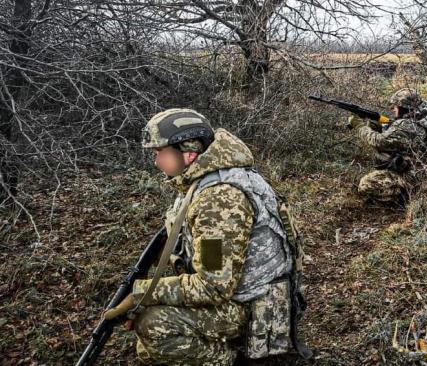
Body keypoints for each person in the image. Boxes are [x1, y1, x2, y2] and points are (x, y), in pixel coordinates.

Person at [102, 108, 309, 365]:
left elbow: (213, 286)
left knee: (154, 326)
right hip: (245, 295)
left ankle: (233, 361)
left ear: (189, 153)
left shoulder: (219, 200)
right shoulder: (206, 179)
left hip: (253, 308)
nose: (156, 162)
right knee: (148, 350)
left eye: (161, 153)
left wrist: (143, 292)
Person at [346, 88, 427, 205]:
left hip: (409, 174)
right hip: (419, 169)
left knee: (366, 184)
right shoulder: (421, 120)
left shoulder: (406, 125)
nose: (393, 109)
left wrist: (359, 126)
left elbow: (379, 141)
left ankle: (403, 198)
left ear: (403, 108)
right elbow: (399, 139)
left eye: (395, 106)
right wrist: (378, 126)